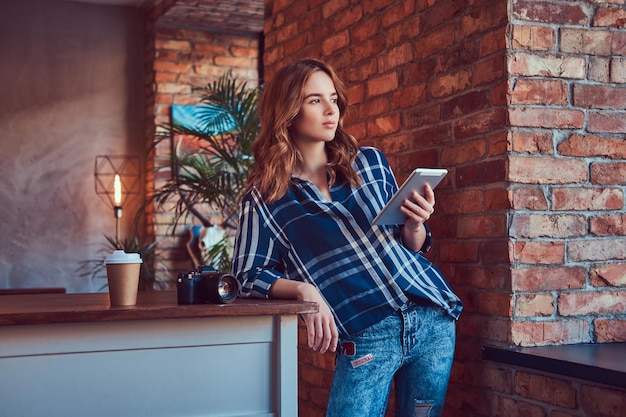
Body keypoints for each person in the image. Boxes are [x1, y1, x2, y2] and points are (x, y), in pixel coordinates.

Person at [231, 58, 462, 417]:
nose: (330, 109)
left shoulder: (370, 162)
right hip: (366, 331)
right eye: (314, 100)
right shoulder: (265, 198)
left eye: (334, 99)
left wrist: (416, 224)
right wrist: (306, 292)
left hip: (432, 318)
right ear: (288, 112)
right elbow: (246, 275)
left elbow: (409, 243)